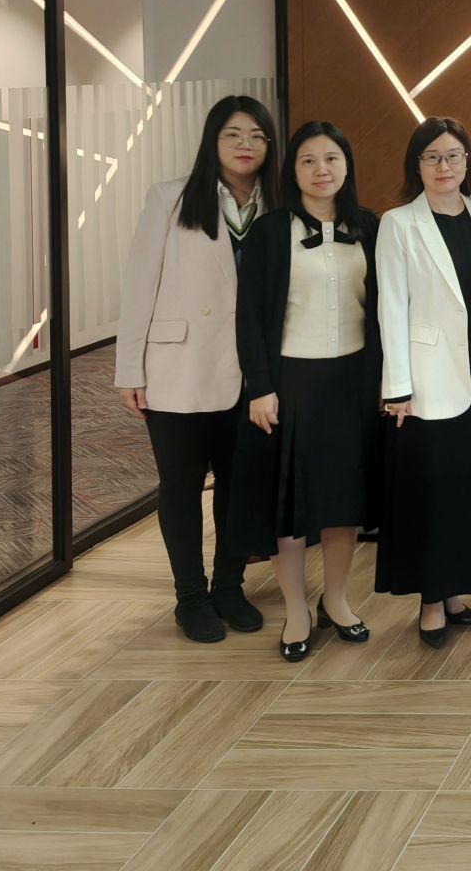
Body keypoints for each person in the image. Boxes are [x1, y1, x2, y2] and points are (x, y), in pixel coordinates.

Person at [115, 96, 277, 643]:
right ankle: (190, 596)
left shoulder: (277, 204)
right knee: (181, 486)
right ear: (213, 141)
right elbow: (140, 284)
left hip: (251, 373)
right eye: (233, 134)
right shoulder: (171, 197)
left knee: (239, 484)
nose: (245, 145)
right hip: (178, 367)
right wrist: (129, 369)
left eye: (256, 136)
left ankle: (229, 586)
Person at [230, 121, 380, 661]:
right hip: (289, 384)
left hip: (354, 382)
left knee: (344, 502)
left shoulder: (370, 227)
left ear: (347, 165)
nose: (322, 170)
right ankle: (296, 609)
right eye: (308, 160)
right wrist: (260, 387)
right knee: (288, 507)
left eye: (332, 158)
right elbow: (249, 317)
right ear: (292, 171)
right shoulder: (270, 232)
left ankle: (336, 600)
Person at [374, 117, 471, 648]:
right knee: (432, 493)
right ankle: (431, 600)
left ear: (467, 162)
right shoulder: (398, 223)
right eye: (432, 156)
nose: (444, 166)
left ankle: (455, 592)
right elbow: (391, 306)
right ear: (416, 164)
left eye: (454, 156)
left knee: (469, 491)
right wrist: (397, 387)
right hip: (426, 382)